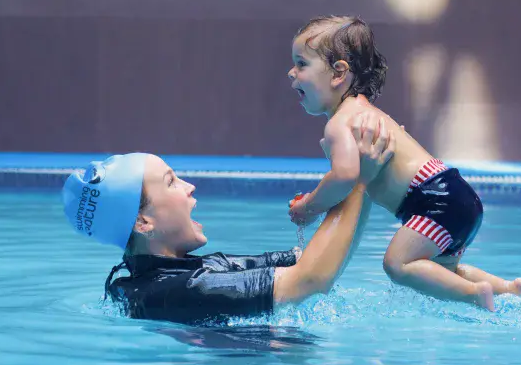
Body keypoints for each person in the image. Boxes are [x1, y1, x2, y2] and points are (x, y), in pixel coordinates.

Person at [286, 15, 521, 312]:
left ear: (339, 74)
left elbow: (345, 176)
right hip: (455, 194)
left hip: (432, 199)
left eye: (301, 64)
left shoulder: (340, 124)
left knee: (398, 265)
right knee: (437, 273)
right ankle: (507, 290)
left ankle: (474, 295)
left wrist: (309, 205)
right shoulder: (367, 113)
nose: (291, 73)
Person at [61, 114, 395, 324]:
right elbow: (309, 282)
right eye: (171, 182)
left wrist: (357, 181)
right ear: (142, 222)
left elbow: (311, 265)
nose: (190, 188)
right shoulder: (181, 290)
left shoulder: (182, 273)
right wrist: (357, 180)